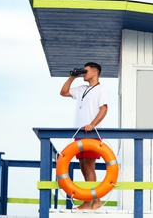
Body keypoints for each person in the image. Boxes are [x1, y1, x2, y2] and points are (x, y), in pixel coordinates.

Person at [60, 62, 108, 210]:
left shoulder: (101, 90)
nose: (83, 73)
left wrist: (92, 124)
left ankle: (91, 201)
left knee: (89, 166)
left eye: (85, 71)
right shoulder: (82, 89)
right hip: (79, 133)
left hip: (91, 134)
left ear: (95, 73)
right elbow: (63, 92)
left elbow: (104, 109)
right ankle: (93, 201)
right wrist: (72, 77)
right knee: (83, 167)